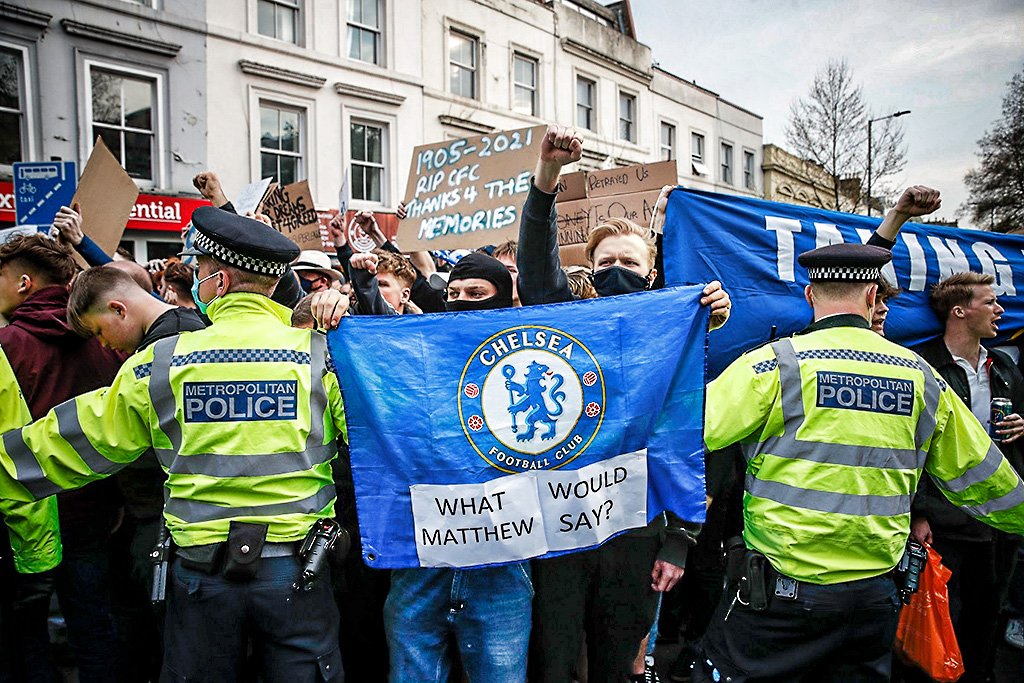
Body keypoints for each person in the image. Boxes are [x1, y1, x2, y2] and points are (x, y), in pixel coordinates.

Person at [0, 208, 349, 681]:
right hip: (298, 571)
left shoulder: (160, 363)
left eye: (200, 271)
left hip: (202, 576)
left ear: (219, 282)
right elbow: (384, 439)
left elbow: (74, 440)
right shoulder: (321, 356)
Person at [696, 243, 1024, 682]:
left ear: (811, 296)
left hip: (781, 597)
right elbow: (986, 477)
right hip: (873, 601)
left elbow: (691, 435)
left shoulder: (775, 364)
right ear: (872, 297)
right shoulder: (921, 375)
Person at [517, 124, 730, 683]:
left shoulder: (675, 334)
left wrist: (680, 542)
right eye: (606, 259)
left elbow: (689, 442)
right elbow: (537, 265)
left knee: (618, 665)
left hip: (636, 533)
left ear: (651, 272)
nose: (618, 270)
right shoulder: (565, 317)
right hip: (560, 527)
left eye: (630, 263)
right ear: (588, 268)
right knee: (554, 662)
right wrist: (547, 177)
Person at [359, 251, 533, 682]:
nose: (460, 301)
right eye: (452, 293)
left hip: (501, 560)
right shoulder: (417, 353)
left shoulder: (528, 357)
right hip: (421, 558)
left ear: (505, 300)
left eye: (476, 294)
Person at [0, 233, 124, 682]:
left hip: (26, 515)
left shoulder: (8, 345)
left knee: (26, 637)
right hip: (94, 505)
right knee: (94, 626)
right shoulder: (102, 335)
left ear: (24, 284)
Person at [908, 271, 1024, 682]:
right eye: (990, 302)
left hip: (999, 522)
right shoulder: (921, 365)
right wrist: (918, 512)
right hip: (946, 522)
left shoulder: (1005, 366)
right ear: (959, 311)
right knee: (943, 621)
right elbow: (910, 444)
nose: (1000, 310)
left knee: (989, 616)